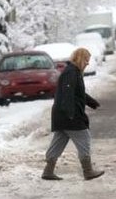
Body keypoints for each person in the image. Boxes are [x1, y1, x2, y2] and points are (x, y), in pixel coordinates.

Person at [41, 47, 105, 181]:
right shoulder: (71, 72)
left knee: (59, 141)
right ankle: (88, 171)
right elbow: (68, 94)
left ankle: (48, 171)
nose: (88, 63)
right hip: (69, 115)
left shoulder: (73, 72)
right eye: (86, 60)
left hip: (62, 115)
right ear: (80, 59)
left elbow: (78, 93)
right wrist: (70, 114)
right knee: (84, 138)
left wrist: (92, 102)